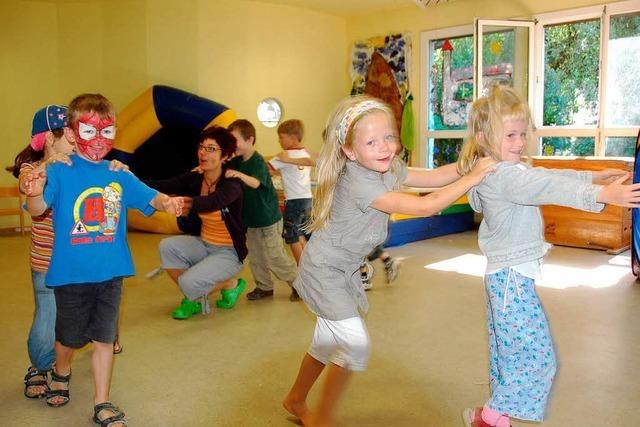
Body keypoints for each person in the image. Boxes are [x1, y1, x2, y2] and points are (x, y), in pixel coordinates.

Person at [282, 95, 496, 427]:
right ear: (350, 151)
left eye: (389, 137)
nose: (385, 147)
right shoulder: (358, 180)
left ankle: (296, 400)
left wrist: (471, 165)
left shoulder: (384, 164)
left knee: (326, 342)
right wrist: (474, 178)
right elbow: (427, 205)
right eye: (372, 141)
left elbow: (434, 178)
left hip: (344, 268)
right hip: (324, 270)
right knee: (354, 345)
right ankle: (322, 420)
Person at [456, 85, 640, 427]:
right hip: (511, 280)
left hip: (508, 278)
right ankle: (491, 417)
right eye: (510, 134)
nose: (519, 142)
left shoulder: (503, 169)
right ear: (483, 137)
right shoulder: (503, 177)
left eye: (523, 134)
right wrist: (602, 193)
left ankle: (494, 417)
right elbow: (546, 187)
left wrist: (592, 176)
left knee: (510, 356)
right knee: (538, 359)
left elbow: (546, 176)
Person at [23, 93, 183, 427]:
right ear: (71, 133)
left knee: (104, 339)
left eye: (106, 132)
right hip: (69, 275)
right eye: (89, 131)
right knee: (68, 338)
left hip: (110, 274)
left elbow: (149, 195)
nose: (98, 140)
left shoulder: (119, 173)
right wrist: (35, 191)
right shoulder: (61, 171)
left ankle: (102, 400)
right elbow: (38, 212)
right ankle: (61, 372)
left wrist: (167, 202)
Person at [12, 105, 126, 400]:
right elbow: (28, 188)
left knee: (95, 303)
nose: (79, 141)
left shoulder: (79, 164)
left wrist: (116, 168)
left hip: (81, 261)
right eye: (72, 136)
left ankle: (102, 339)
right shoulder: (35, 167)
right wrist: (48, 166)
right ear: (49, 138)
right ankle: (39, 367)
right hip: (47, 262)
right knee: (48, 317)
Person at [151, 126, 248, 320]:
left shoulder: (232, 184)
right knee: (167, 247)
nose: (203, 152)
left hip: (229, 253)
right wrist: (127, 178)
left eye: (211, 149)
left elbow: (213, 202)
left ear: (225, 156)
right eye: (202, 147)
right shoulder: (197, 177)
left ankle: (231, 284)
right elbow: (165, 185)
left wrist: (185, 203)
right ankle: (193, 295)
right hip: (204, 244)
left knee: (188, 283)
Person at [227, 119, 299, 302]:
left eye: (234, 140)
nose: (231, 145)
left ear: (250, 140)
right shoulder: (235, 161)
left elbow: (255, 182)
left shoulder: (257, 161)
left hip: (268, 219)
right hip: (251, 220)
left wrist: (239, 175)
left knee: (275, 257)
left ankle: (300, 284)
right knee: (256, 256)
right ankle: (264, 286)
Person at [269, 119, 313, 265]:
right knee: (301, 234)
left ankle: (304, 271)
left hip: (294, 201)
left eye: (282, 137)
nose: (279, 141)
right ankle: (310, 266)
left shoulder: (284, 156)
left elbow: (265, 170)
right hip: (308, 201)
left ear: (293, 138)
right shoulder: (305, 153)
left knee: (292, 236)